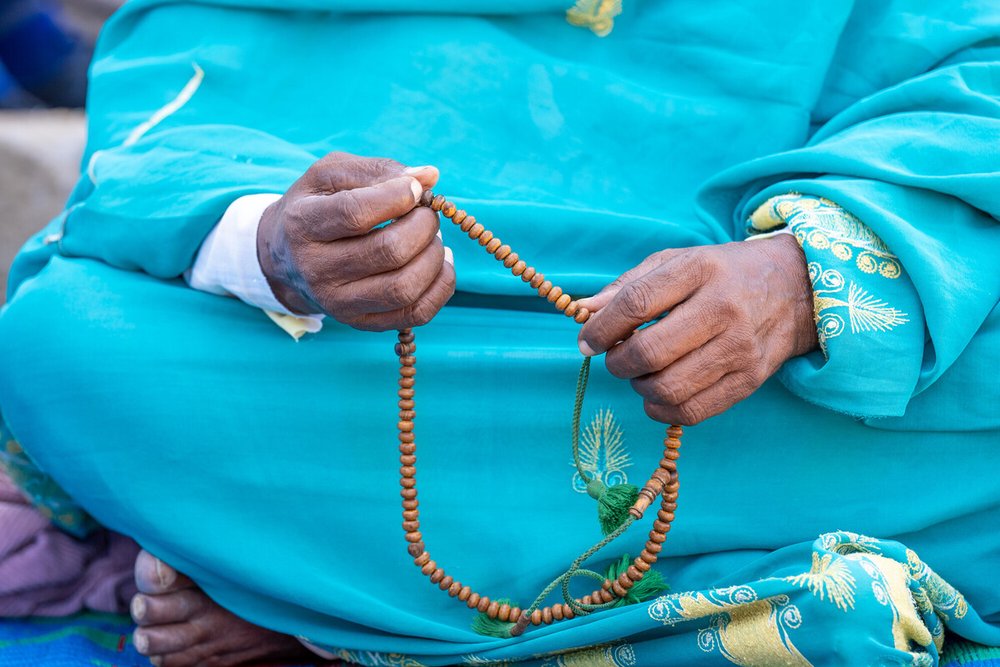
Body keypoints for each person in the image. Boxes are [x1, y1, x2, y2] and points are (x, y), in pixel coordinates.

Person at [0, 1, 998, 666]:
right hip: (355, 349)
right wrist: (274, 242)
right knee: (68, 338)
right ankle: (343, 587)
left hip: (782, 354)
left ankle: (312, 597)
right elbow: (160, 127)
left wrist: (802, 276)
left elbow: (976, 81)